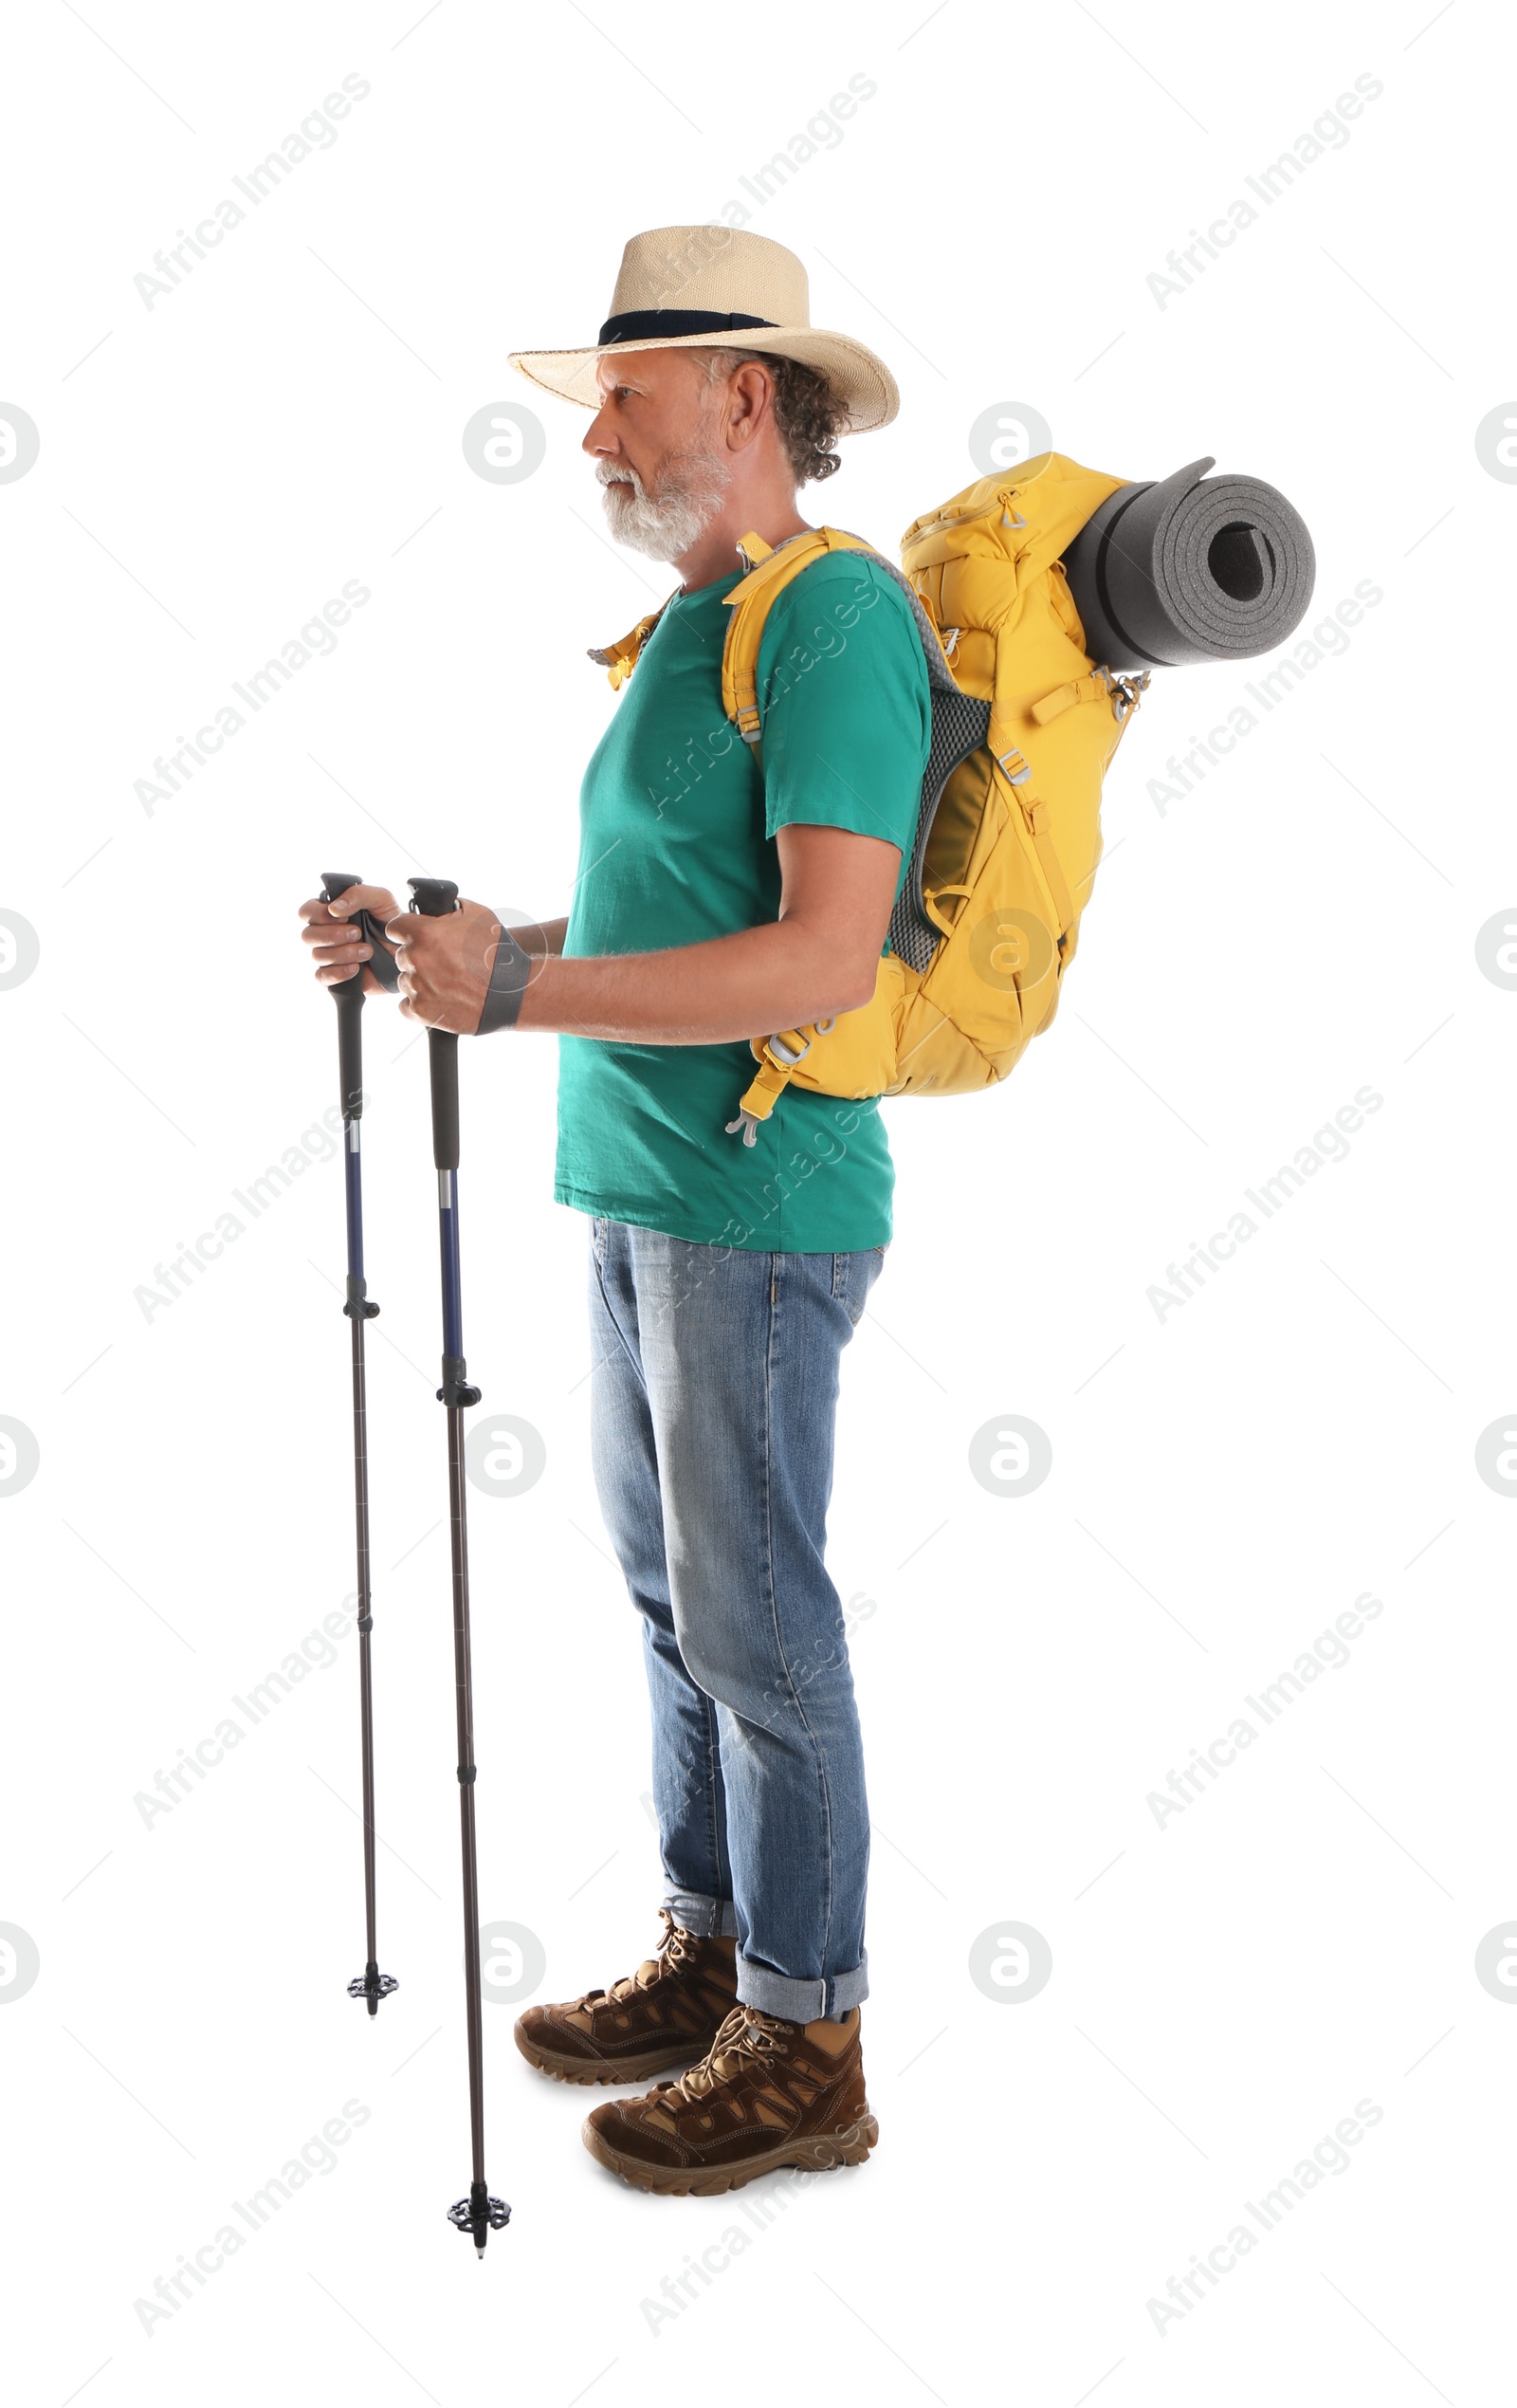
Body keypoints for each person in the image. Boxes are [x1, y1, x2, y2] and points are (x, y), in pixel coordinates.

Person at [300, 225, 930, 2196]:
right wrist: (445, 953)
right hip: (640, 1187)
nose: (592, 437)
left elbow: (826, 956)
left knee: (760, 1629)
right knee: (680, 1615)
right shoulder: (690, 625)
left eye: (621, 398)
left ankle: (807, 2034)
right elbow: (664, 930)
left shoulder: (831, 623)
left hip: (753, 1201)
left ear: (742, 397)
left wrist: (526, 991)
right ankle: (717, 1956)